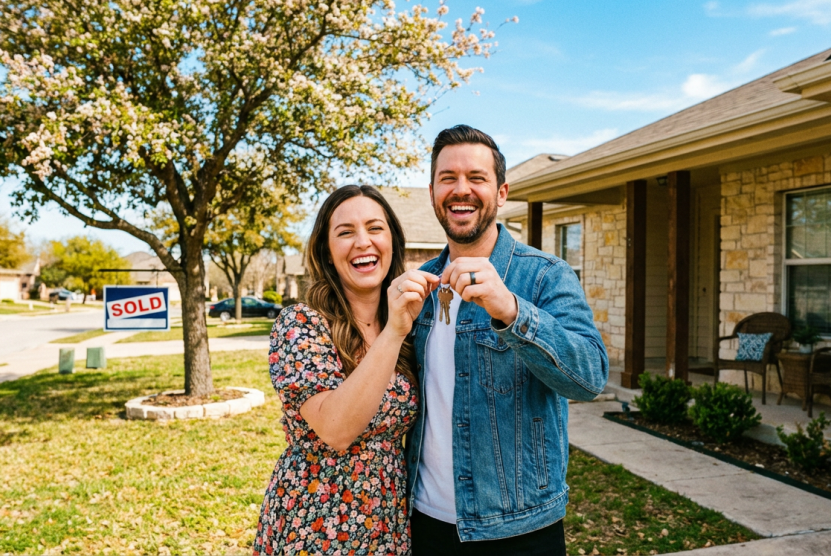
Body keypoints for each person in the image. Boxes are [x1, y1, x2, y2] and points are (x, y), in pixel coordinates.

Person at [407, 125, 609, 555]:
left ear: (501, 193)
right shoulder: (418, 287)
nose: (462, 190)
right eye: (448, 178)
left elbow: (591, 377)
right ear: (431, 192)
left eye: (477, 178)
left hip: (519, 531)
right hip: (424, 524)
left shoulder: (545, 275)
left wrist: (512, 311)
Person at [253, 185, 439, 555]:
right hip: (315, 522)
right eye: (345, 232)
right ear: (326, 250)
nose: (362, 242)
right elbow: (336, 429)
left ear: (392, 241)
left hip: (389, 523)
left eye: (375, 228)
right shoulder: (301, 324)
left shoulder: (413, 324)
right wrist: (394, 333)